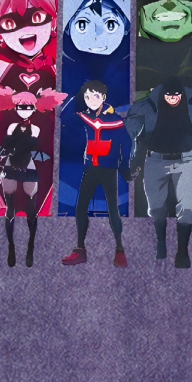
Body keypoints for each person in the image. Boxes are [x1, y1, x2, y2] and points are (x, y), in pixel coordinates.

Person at [126, 75, 192, 269]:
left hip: (186, 161)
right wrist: (133, 156)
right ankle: (161, 243)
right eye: (169, 95)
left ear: (182, 93)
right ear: (162, 94)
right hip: (155, 161)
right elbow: (131, 129)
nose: (173, 98)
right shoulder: (146, 106)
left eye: (177, 95)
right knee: (156, 207)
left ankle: (182, 251)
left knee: (187, 207)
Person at [0, 0, 60, 216]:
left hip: (44, 155)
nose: (26, 29)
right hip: (4, 153)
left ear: (53, 22)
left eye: (36, 17)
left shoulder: (55, 68)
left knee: (38, 203)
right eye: (10, 23)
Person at [58, 0, 131, 218]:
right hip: (72, 170)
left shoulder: (125, 72)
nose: (97, 36)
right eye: (83, 24)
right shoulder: (67, 74)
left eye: (110, 24)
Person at [0, 87, 66, 267]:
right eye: (21, 107)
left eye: (28, 107)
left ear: (34, 108)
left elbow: (29, 150)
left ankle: (30, 247)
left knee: (31, 210)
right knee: (10, 209)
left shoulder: (35, 129)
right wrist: (1, 170)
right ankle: (11, 247)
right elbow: (6, 149)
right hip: (11, 166)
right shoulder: (12, 127)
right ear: (15, 107)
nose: (24, 110)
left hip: (28, 166)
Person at [62, 81, 129, 267]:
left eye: (96, 96)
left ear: (104, 98)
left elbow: (126, 144)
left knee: (113, 210)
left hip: (109, 170)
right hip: (90, 169)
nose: (91, 100)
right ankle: (80, 250)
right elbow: (65, 117)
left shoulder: (116, 120)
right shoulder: (84, 117)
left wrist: (125, 166)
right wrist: (78, 95)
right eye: (87, 97)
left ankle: (120, 250)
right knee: (81, 208)